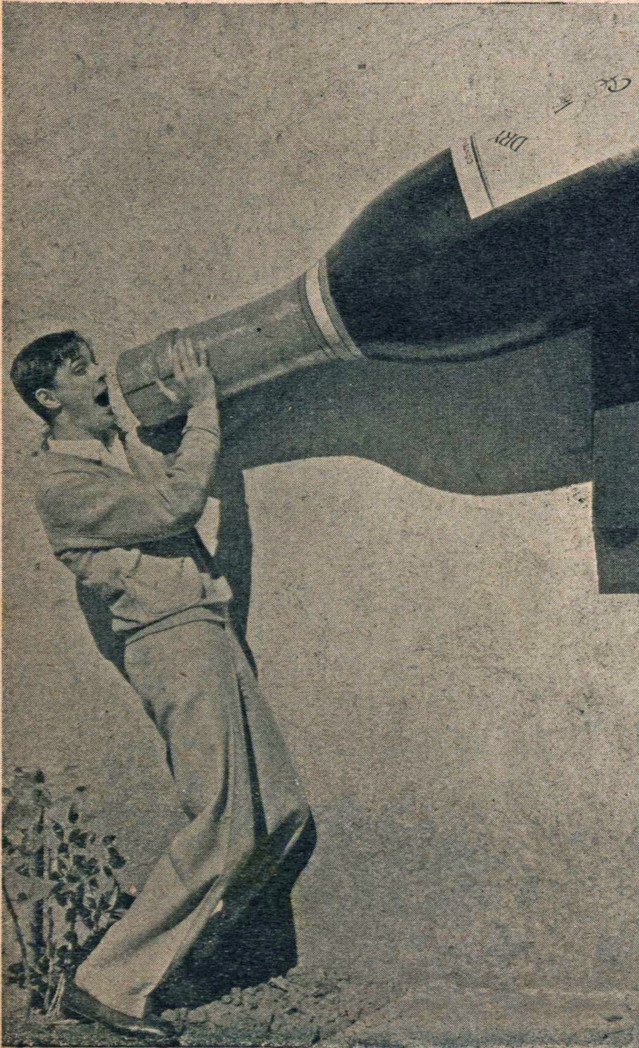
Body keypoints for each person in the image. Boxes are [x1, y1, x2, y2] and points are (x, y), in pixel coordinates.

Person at [10, 330, 314, 1043]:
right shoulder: (62, 483)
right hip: (170, 641)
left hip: (204, 627)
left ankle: (179, 964)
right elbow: (178, 504)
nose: (101, 375)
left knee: (281, 813)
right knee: (222, 820)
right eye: (81, 370)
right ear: (49, 399)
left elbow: (170, 485)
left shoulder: (113, 452)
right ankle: (106, 981)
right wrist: (204, 406)